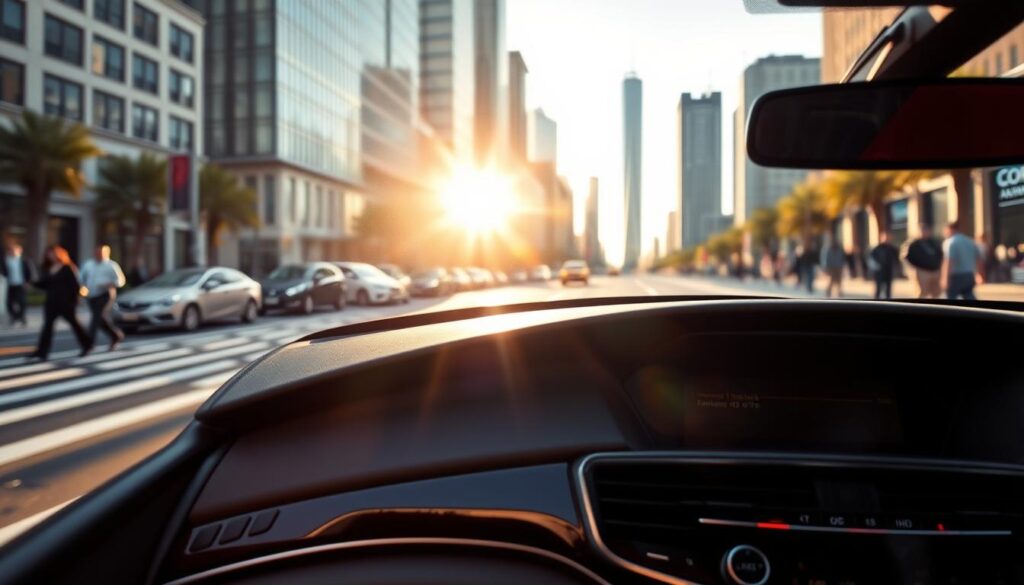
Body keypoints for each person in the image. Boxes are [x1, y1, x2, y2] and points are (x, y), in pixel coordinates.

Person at [31, 245, 92, 360]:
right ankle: (42, 352)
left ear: (59, 254)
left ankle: (87, 345)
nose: (51, 256)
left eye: (53, 253)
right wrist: (33, 283)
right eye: (49, 254)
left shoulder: (68, 267)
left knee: (75, 325)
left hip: (66, 303)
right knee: (47, 327)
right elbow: (45, 284)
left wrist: (73, 302)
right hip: (51, 302)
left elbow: (76, 286)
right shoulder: (48, 268)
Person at [80, 244, 127, 351]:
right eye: (97, 252)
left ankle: (88, 344)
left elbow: (121, 281)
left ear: (106, 253)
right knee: (101, 319)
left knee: (96, 319)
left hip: (105, 294)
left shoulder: (111, 265)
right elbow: (81, 278)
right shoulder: (89, 265)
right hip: (92, 295)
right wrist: (82, 288)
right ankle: (116, 335)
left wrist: (110, 283)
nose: (99, 254)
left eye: (101, 253)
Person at [943, 221, 982, 300]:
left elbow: (948, 261)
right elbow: (978, 259)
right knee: (968, 295)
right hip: (969, 274)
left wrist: (945, 278)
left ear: (950, 229)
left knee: (950, 297)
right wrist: (979, 274)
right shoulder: (970, 241)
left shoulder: (950, 242)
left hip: (956, 276)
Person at [904, 225, 944, 299]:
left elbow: (940, 254)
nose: (924, 233)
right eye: (922, 231)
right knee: (922, 292)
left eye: (926, 231)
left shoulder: (933, 242)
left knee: (936, 292)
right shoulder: (913, 244)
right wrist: (913, 270)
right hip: (921, 271)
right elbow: (907, 257)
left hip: (935, 271)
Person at [1, 242, 36, 326]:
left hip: (21, 284)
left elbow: (30, 272)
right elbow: (3, 272)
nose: (12, 252)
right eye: (11, 250)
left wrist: (29, 282)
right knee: (9, 303)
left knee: (22, 302)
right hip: (9, 285)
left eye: (14, 250)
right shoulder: (5, 260)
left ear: (19, 251)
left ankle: (20, 317)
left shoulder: (25, 260)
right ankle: (16, 317)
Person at [870, 232, 900, 300]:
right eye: (885, 237)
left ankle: (888, 300)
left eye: (888, 237)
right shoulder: (877, 248)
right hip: (879, 271)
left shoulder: (893, 248)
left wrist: (897, 268)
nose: (886, 239)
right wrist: (875, 266)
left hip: (888, 270)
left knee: (888, 287)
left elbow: (897, 259)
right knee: (878, 287)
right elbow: (872, 258)